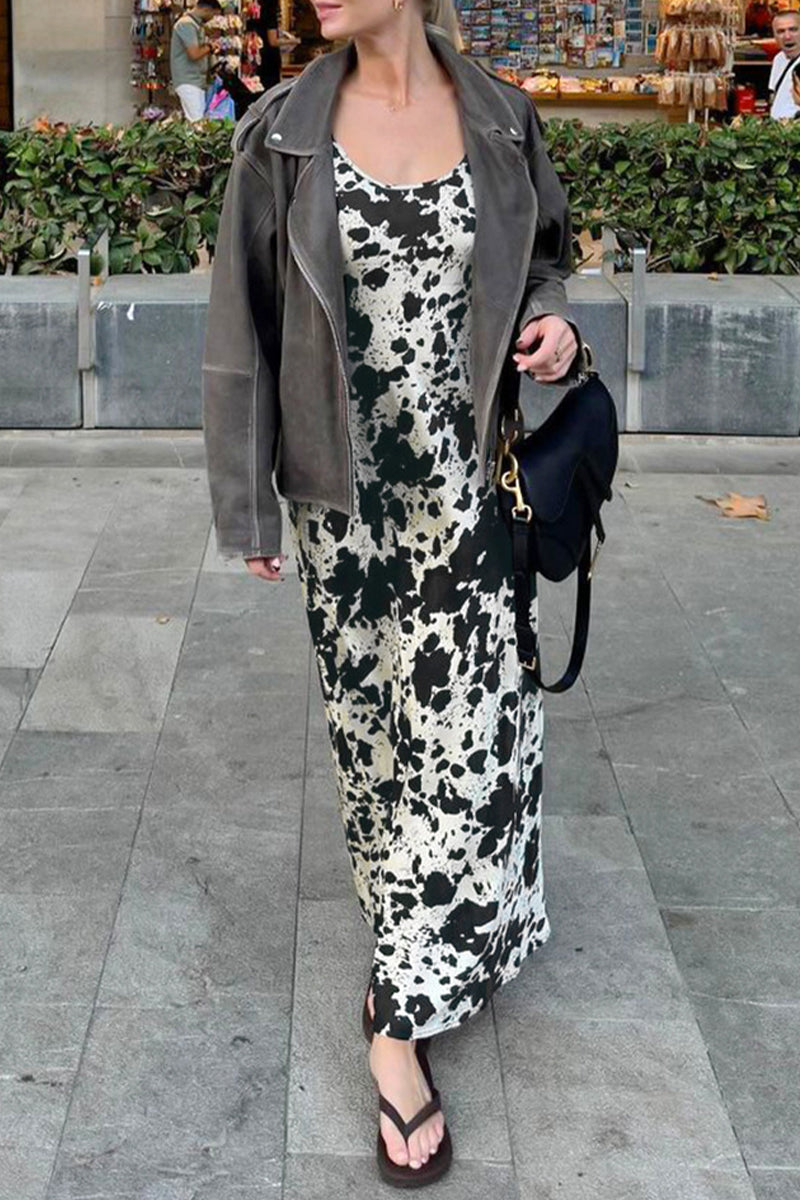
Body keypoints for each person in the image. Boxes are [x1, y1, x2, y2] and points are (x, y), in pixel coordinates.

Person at [202, 0, 587, 1187]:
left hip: (470, 501)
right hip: (346, 507)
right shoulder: (281, 133)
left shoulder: (500, 118)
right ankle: (417, 942)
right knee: (376, 752)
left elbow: (544, 260)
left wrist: (551, 327)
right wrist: (246, 506)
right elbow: (240, 329)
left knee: (474, 748)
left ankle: (396, 1020)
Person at [170, 0, 222, 121]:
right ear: (206, 10)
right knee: (197, 121)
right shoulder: (187, 25)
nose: (213, 18)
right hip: (189, 81)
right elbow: (194, 54)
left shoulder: (196, 25)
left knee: (197, 119)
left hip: (196, 81)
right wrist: (210, 47)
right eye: (213, 14)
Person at [245, 0, 283, 92]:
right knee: (271, 89)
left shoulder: (255, 12)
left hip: (256, 53)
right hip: (270, 57)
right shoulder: (271, 15)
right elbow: (273, 41)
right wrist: (295, 40)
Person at [769, 8, 800, 119]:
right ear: (774, 36)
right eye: (780, 31)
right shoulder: (778, 59)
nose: (787, 36)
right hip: (777, 126)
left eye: (793, 29)